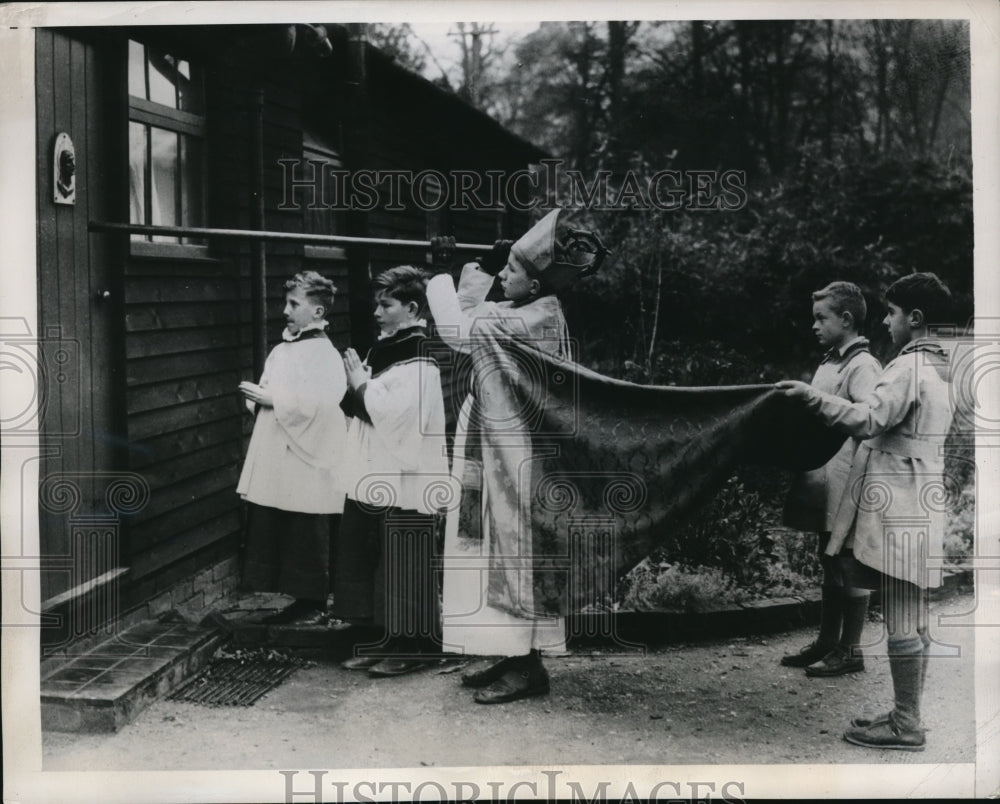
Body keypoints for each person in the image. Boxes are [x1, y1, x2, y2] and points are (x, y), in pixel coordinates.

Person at [426, 209, 606, 704]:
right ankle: (507, 655)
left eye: (511, 271)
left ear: (534, 284)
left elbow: (459, 332)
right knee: (488, 555)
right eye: (502, 270)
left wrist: (444, 271)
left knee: (512, 556)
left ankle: (526, 666)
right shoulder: (534, 309)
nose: (502, 276)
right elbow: (473, 328)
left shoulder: (525, 318)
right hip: (501, 446)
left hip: (516, 457)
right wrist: (489, 269)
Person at [777, 271, 954, 751]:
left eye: (893, 315)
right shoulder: (941, 370)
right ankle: (907, 712)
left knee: (900, 610)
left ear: (914, 319)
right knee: (912, 611)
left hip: (896, 498)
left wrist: (813, 397)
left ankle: (905, 722)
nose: (888, 325)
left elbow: (868, 416)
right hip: (922, 495)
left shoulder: (905, 368)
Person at [333, 265, 449, 677]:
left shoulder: (419, 359)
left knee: (403, 559)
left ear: (412, 308)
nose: (377, 313)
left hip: (406, 478)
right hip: (375, 470)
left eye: (387, 304)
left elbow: (397, 419)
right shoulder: (384, 348)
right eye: (377, 304)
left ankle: (414, 647)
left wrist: (362, 384)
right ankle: (382, 637)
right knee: (373, 556)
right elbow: (360, 405)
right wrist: (359, 385)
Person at [780, 282, 881, 677]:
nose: (815, 326)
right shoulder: (831, 361)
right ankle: (828, 640)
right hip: (825, 474)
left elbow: (868, 417)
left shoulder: (863, 366)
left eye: (822, 319)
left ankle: (851, 649)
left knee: (846, 561)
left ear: (846, 319)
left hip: (848, 476)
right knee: (829, 557)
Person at [236, 271, 347, 625]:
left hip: (307, 455)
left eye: (294, 304)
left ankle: (312, 601)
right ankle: (294, 599)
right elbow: (269, 387)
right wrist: (259, 399)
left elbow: (324, 404)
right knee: (278, 519)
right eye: (286, 303)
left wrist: (273, 399)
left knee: (305, 523)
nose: (285, 310)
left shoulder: (325, 355)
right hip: (277, 449)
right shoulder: (282, 350)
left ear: (317, 312)